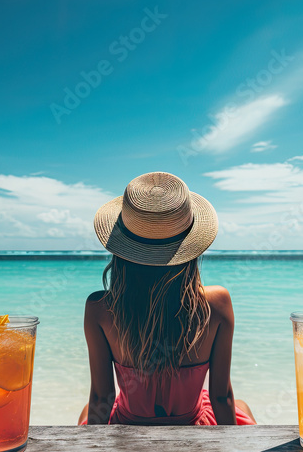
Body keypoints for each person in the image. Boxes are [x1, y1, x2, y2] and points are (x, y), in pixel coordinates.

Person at [79, 172, 256, 426]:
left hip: (130, 424)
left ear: (121, 250)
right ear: (191, 249)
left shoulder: (99, 308)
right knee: (242, 406)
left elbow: (101, 397)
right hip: (192, 422)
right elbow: (221, 397)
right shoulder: (217, 303)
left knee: (86, 409)